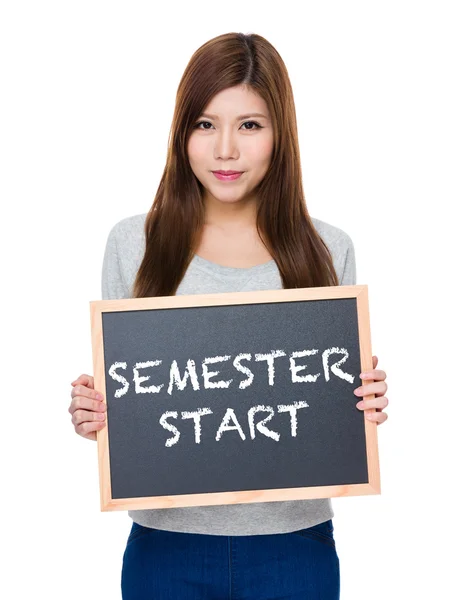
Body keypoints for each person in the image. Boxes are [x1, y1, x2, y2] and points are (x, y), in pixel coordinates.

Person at [68, 32, 389, 600]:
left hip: (294, 543)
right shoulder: (133, 245)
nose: (225, 151)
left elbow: (328, 399)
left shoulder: (326, 248)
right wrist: (95, 412)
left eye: (249, 125)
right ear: (182, 132)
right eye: (205, 124)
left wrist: (361, 404)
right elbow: (130, 396)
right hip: (166, 544)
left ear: (279, 135)